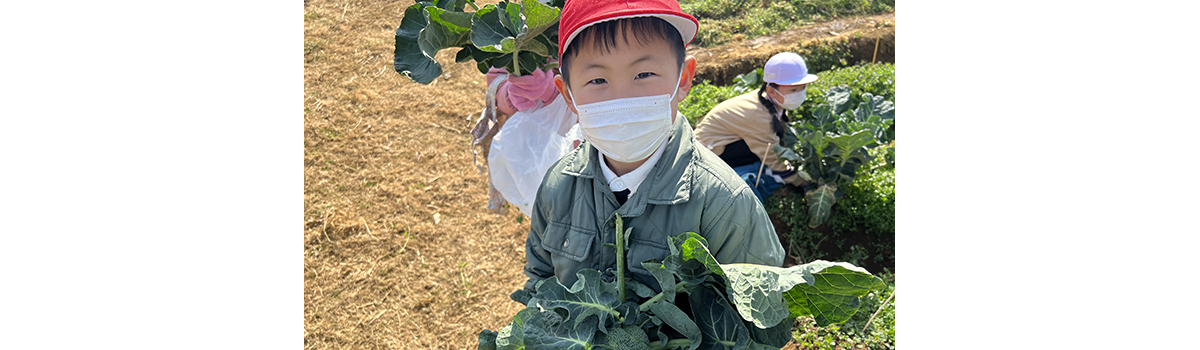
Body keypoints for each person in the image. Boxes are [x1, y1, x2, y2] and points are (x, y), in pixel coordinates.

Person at [522, 0, 785, 293]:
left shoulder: (724, 203)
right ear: (567, 94)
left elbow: (759, 315)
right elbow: (540, 278)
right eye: (598, 80)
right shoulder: (558, 186)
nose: (621, 99)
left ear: (683, 79)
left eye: (643, 74)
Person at [693, 52, 818, 203]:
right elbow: (772, 156)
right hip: (708, 158)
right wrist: (803, 182)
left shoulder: (769, 100)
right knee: (767, 157)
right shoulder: (759, 116)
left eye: (803, 87)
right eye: (793, 90)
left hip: (725, 146)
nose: (800, 93)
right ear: (772, 90)